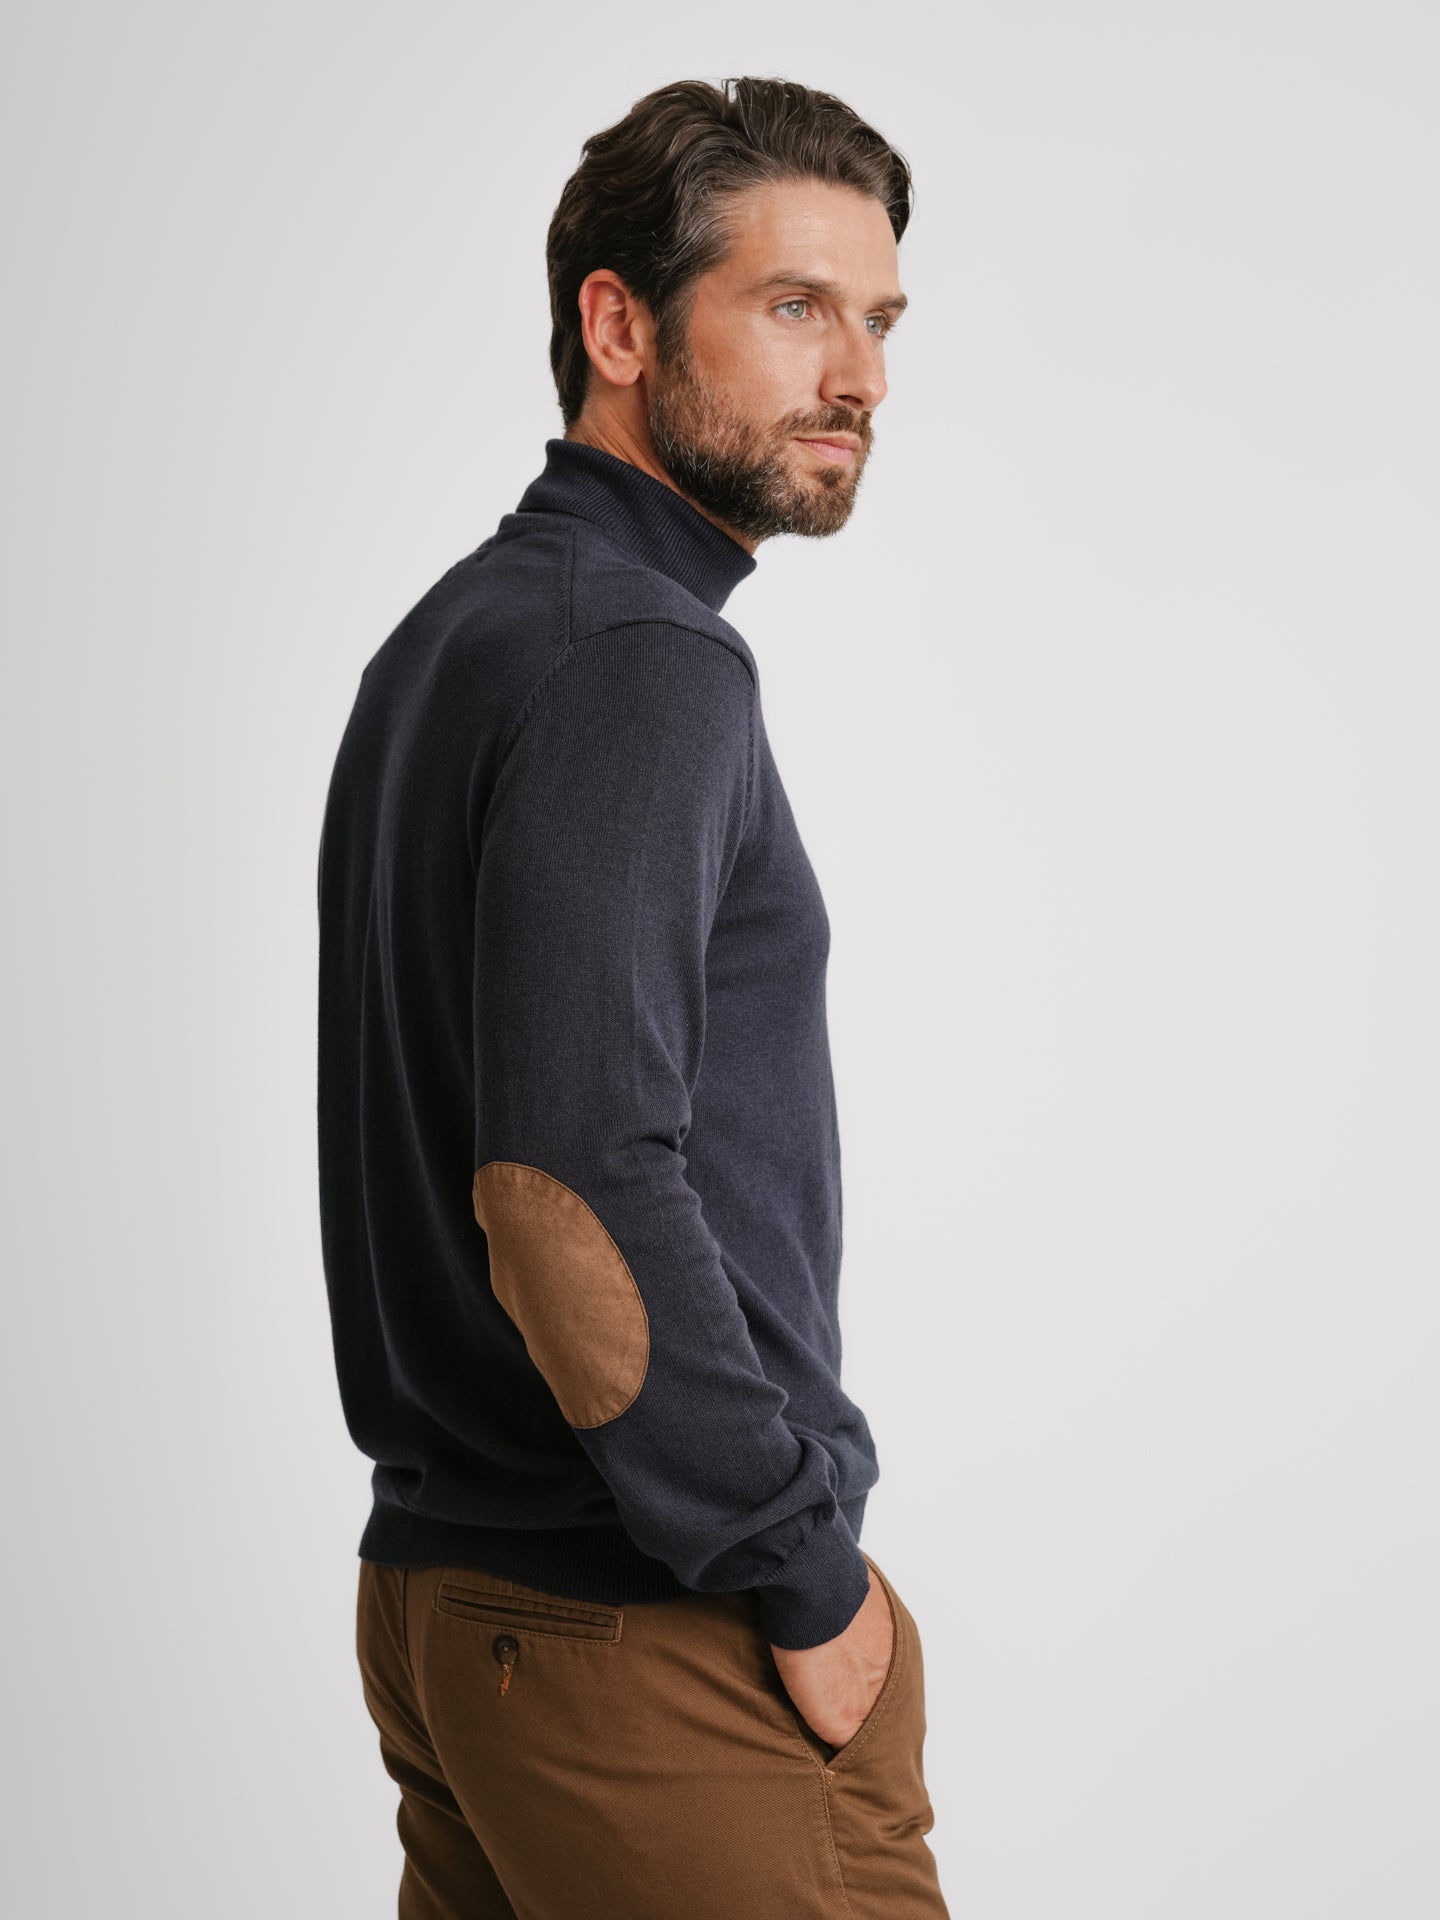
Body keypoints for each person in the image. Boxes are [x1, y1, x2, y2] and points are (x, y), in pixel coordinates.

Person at [317, 73, 950, 1919]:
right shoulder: (638, 658)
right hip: (649, 1629)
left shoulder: (457, 636)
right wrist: (797, 1566)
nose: (860, 376)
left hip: (457, 1598)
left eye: (882, 319)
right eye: (796, 306)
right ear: (618, 326)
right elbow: (564, 1180)